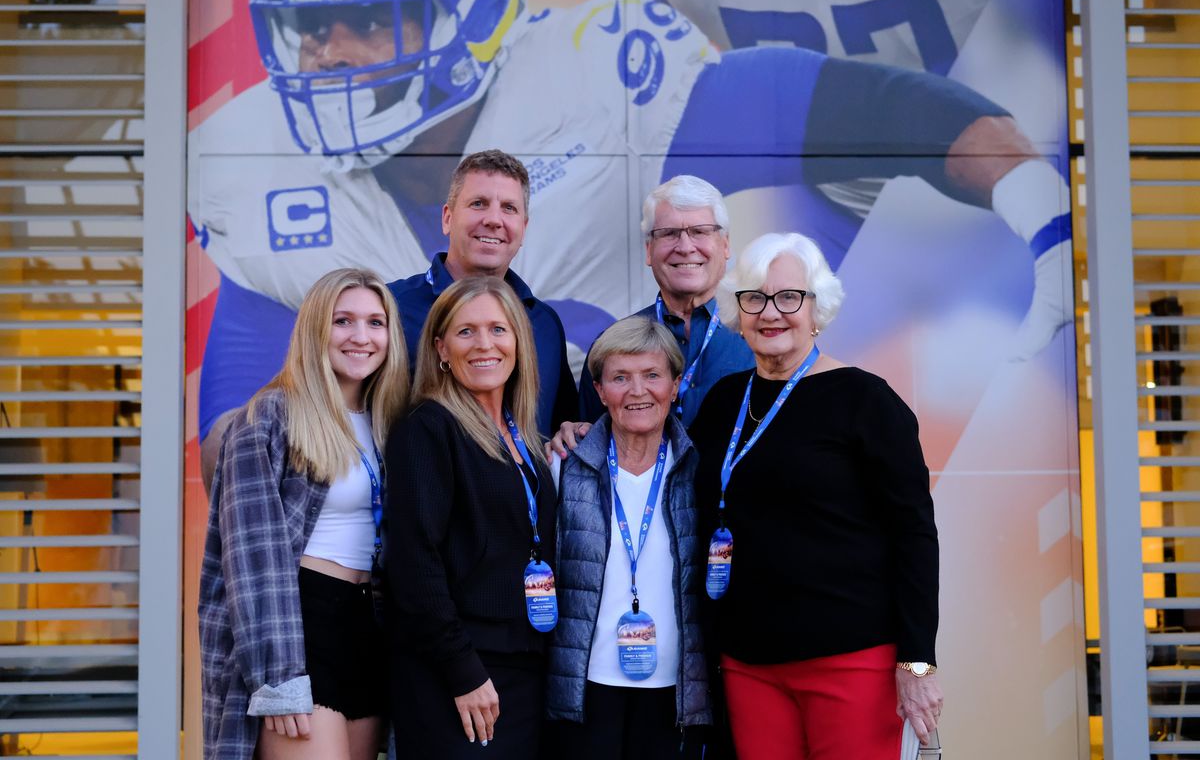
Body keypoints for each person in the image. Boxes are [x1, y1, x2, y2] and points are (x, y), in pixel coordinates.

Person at [190, 0, 1072, 451]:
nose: (335, 55)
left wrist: (1042, 211)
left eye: (373, 21)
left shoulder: (595, 82)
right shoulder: (257, 168)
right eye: (314, 28)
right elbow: (237, 447)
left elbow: (860, 108)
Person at [688, 232, 941, 760]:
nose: (770, 312)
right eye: (755, 297)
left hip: (850, 659)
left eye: (788, 297)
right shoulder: (722, 403)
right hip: (748, 662)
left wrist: (917, 663)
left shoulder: (865, 401)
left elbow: (914, 536)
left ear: (816, 306)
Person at [198, 267, 409, 760]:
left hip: (369, 624)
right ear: (316, 328)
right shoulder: (267, 417)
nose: (361, 337)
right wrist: (278, 677)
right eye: (343, 321)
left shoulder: (390, 423)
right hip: (298, 626)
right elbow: (252, 561)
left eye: (375, 323)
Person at [385, 275, 557, 759]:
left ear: (519, 342)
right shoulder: (426, 427)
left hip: (523, 665)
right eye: (466, 332)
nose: (485, 344)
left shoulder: (524, 438)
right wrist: (464, 672)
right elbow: (415, 564)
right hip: (458, 674)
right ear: (440, 347)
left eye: (499, 330)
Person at [546, 317, 710, 759]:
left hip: (674, 688)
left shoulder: (701, 470)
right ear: (599, 391)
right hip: (585, 686)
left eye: (652, 375)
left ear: (675, 385)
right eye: (620, 377)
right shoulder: (565, 465)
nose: (638, 391)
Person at [387, 149, 578, 437]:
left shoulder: (544, 323)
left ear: (523, 228)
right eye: (479, 204)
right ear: (447, 218)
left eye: (509, 208)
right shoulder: (391, 310)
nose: (494, 219)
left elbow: (560, 427)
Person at [578, 175, 753, 428]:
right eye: (669, 233)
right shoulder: (610, 345)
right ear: (649, 250)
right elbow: (590, 445)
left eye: (699, 232)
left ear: (725, 245)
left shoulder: (759, 335)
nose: (685, 247)